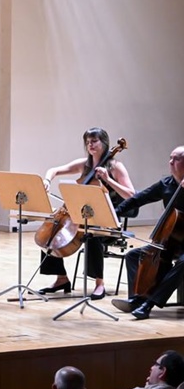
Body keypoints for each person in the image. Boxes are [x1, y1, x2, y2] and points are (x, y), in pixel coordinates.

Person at [37, 127, 135, 300]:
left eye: (94, 141)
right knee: (52, 230)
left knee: (92, 232)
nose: (90, 145)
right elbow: (55, 170)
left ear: (104, 143)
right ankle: (61, 278)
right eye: (88, 142)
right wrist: (47, 179)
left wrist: (108, 180)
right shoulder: (85, 164)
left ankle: (99, 283)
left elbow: (131, 195)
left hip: (107, 219)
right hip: (81, 215)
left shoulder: (115, 167)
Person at [111, 145, 184, 319]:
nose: (171, 162)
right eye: (170, 157)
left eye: (177, 159)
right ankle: (137, 298)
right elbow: (138, 199)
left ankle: (150, 303)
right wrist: (113, 213)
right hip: (171, 240)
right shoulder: (166, 184)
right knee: (134, 256)